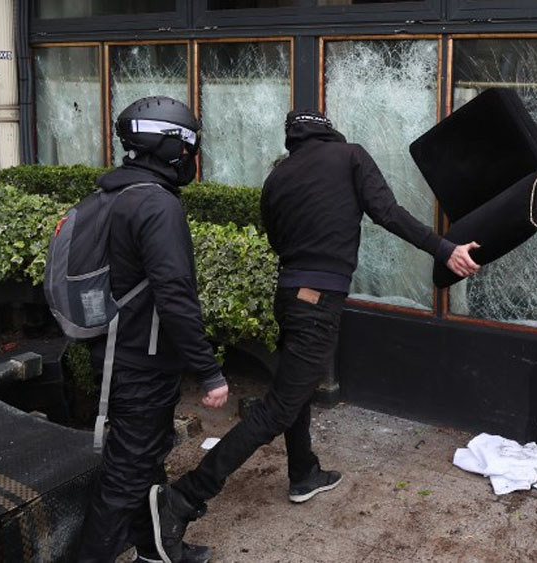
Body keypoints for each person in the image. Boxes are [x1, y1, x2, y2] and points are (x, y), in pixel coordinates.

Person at [148, 110, 482, 562]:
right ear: (328, 130)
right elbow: (388, 212)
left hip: (288, 294)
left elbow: (275, 238)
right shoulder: (349, 157)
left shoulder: (278, 176)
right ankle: (183, 499)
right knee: (280, 406)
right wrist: (445, 249)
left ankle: (304, 473)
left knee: (294, 390)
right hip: (319, 300)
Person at [76, 96, 229, 563]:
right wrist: (210, 371)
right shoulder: (156, 205)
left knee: (144, 460)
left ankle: (156, 551)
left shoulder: (111, 194)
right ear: (168, 148)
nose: (189, 158)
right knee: (125, 477)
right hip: (140, 363)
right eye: (186, 148)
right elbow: (175, 294)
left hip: (116, 351)